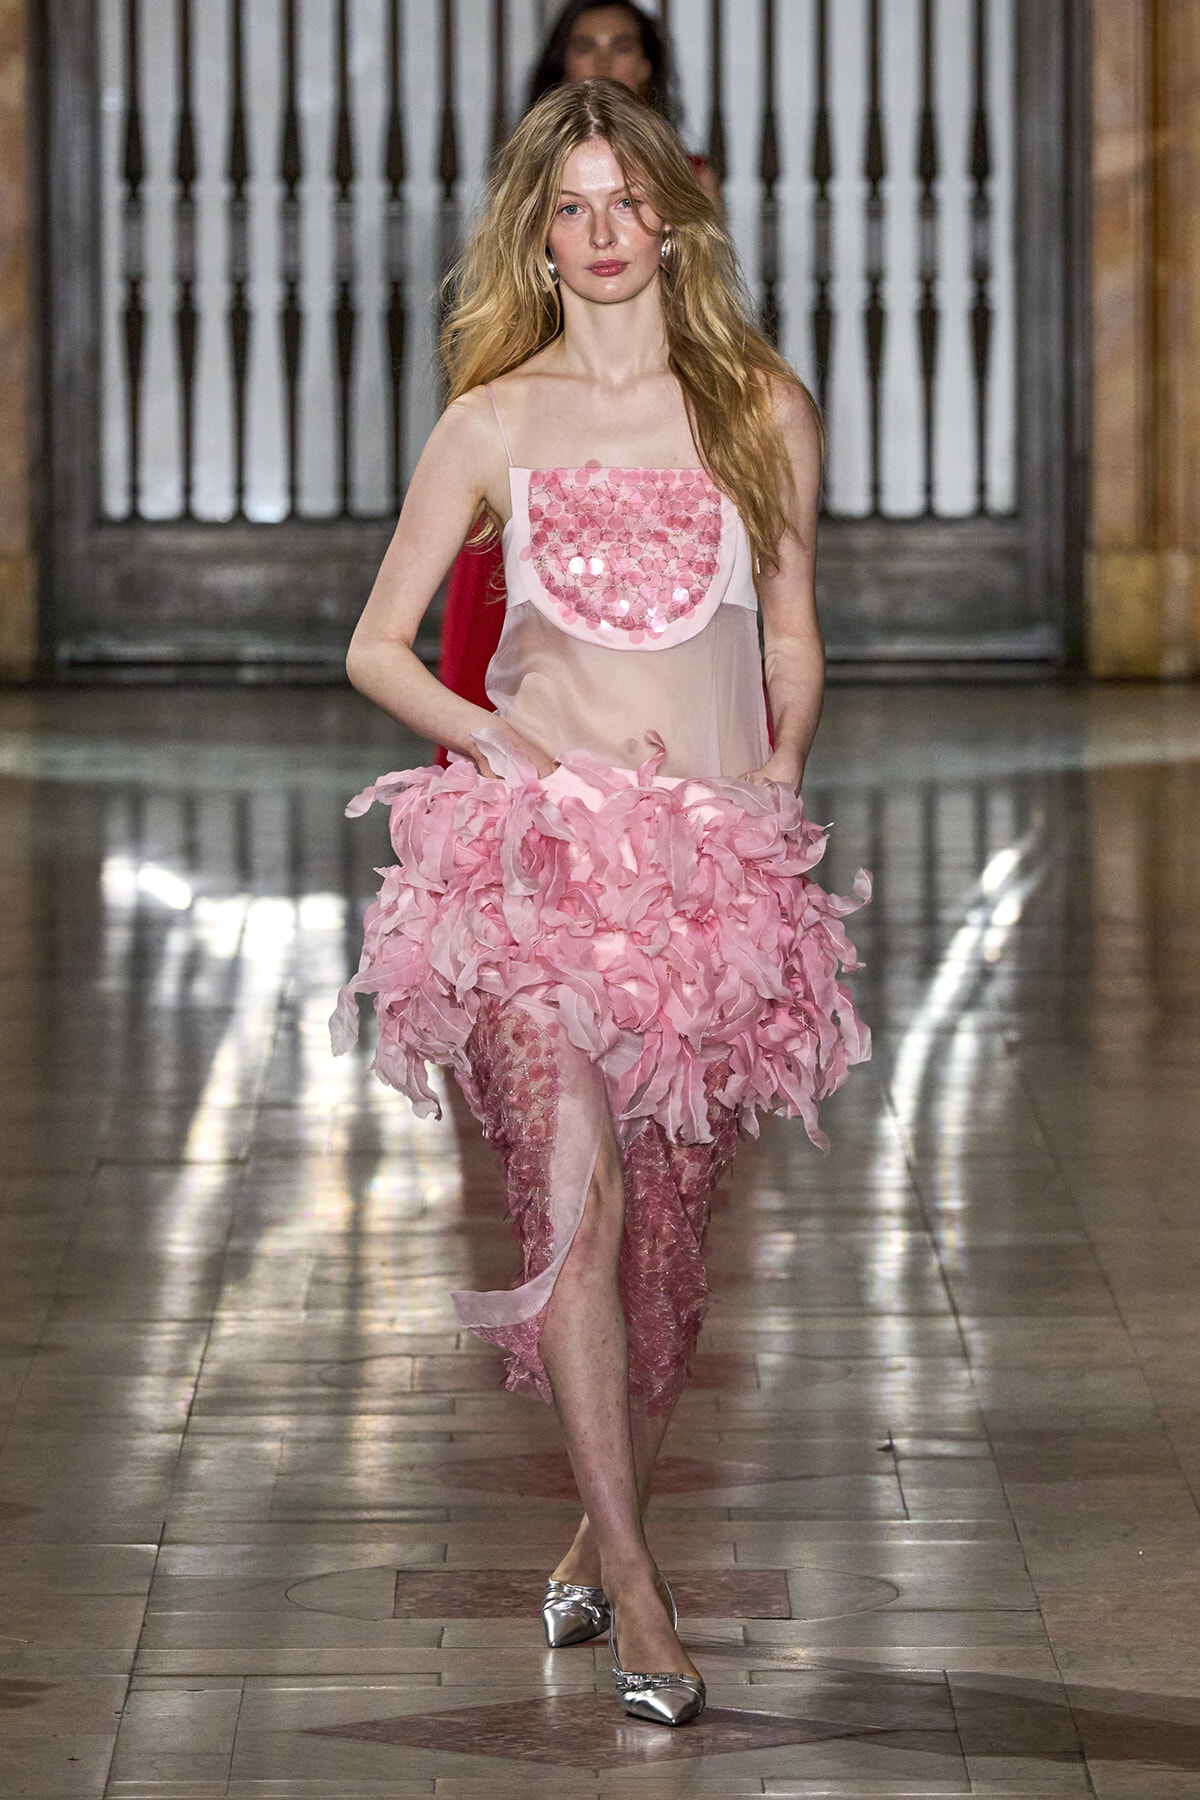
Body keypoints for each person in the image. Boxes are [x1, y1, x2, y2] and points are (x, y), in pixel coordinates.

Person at [331, 80, 870, 1727]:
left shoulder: (759, 410)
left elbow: (789, 629)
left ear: (671, 215)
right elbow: (374, 645)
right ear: (540, 238)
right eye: (570, 209)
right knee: (579, 1208)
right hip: (530, 864)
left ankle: (595, 1511)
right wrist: (500, 743)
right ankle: (639, 1586)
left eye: (625, 200)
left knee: (674, 1262)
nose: (603, 232)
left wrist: (781, 766)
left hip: (711, 876)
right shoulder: (495, 420)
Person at [435, 2, 718, 757]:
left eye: (621, 48)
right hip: (539, 436)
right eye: (584, 47)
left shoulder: (689, 181)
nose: (602, 62)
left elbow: (700, 302)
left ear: (649, 64)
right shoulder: (529, 174)